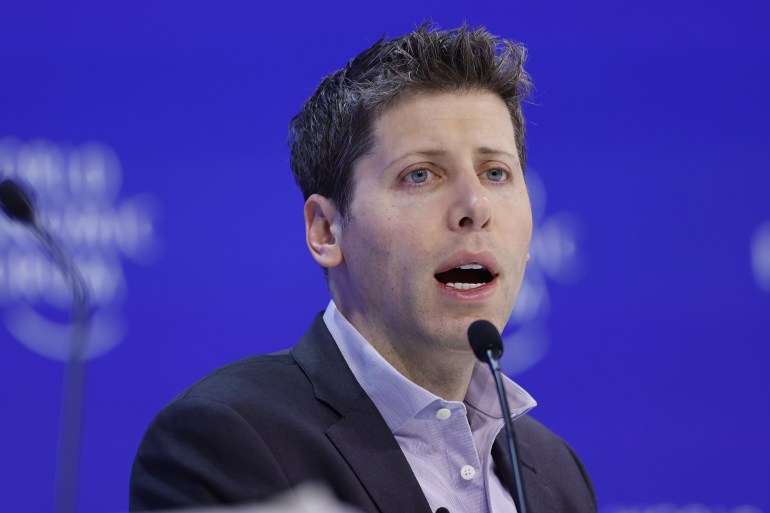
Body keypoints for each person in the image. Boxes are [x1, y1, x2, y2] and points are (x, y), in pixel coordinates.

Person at [129, 24, 597, 513]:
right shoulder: (226, 439)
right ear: (326, 231)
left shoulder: (556, 473)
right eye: (420, 175)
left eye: (495, 173)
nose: (475, 206)